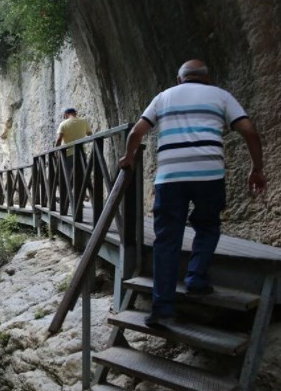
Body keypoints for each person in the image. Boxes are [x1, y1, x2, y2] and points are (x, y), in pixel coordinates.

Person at [118, 59, 267, 327]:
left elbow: (137, 132)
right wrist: (256, 168)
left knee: (166, 239)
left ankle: (162, 309)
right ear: (206, 79)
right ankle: (196, 279)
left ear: (179, 79)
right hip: (208, 175)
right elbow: (250, 132)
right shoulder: (221, 96)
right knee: (208, 226)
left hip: (170, 178)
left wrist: (129, 157)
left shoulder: (163, 97)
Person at [55, 107, 93, 181]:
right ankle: (82, 192)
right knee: (82, 176)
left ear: (66, 114)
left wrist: (57, 152)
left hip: (68, 154)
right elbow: (90, 134)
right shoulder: (84, 121)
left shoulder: (63, 124)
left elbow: (59, 139)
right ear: (75, 113)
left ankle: (68, 192)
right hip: (81, 152)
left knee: (68, 176)